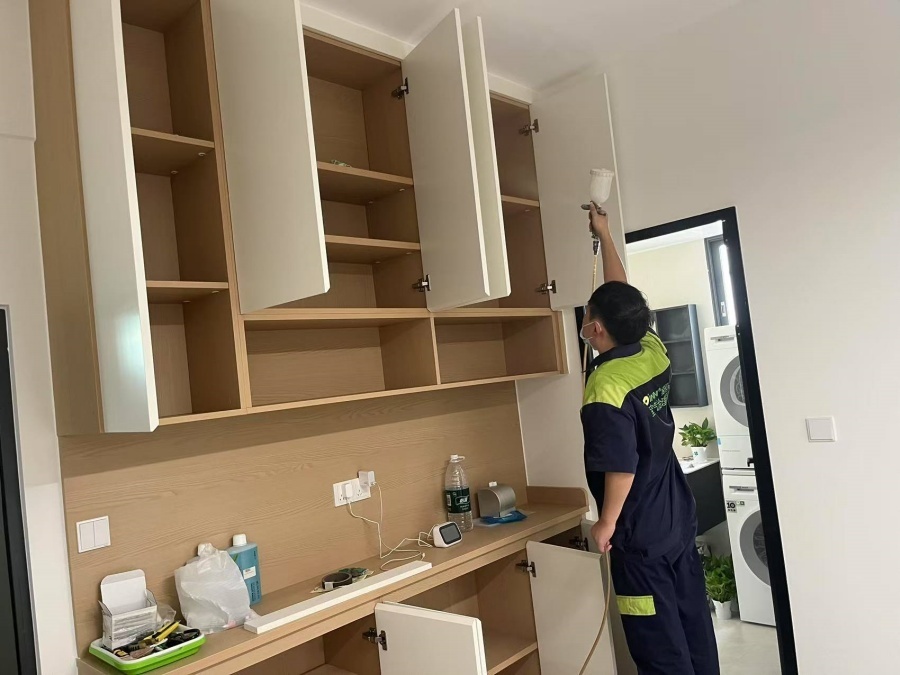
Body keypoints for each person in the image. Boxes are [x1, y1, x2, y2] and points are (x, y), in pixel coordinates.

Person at [581, 203, 719, 675]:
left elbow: (621, 466)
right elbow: (622, 298)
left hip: (639, 534)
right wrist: (604, 234)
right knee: (694, 626)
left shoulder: (606, 386)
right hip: (675, 519)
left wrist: (606, 523)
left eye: (588, 316)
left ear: (597, 328)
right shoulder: (651, 349)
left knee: (659, 647)